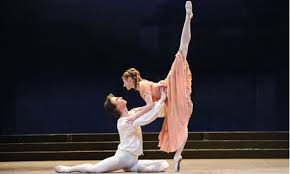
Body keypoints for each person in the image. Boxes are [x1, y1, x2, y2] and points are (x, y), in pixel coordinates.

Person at [121, 1, 193, 172]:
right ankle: (177, 156)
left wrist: (135, 114)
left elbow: (150, 105)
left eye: (125, 81)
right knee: (182, 123)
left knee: (182, 52)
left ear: (131, 79)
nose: (124, 85)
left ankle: (188, 18)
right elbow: (150, 105)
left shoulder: (142, 86)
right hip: (168, 99)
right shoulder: (142, 87)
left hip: (169, 88)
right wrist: (138, 111)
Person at [54, 89, 169, 173]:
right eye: (117, 99)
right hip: (123, 158)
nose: (120, 97)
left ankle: (138, 169)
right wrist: (162, 99)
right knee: (96, 170)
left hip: (133, 160)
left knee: (163, 164)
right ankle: (69, 169)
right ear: (117, 107)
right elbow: (148, 118)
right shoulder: (124, 122)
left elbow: (149, 109)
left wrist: (161, 100)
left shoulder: (132, 113)